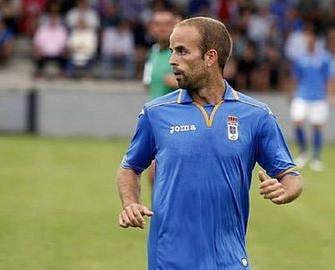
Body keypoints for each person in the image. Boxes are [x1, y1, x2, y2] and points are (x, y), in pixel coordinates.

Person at [117, 17, 303, 270]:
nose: (172, 60)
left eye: (182, 51)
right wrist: (130, 203)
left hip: (229, 261)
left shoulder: (256, 115)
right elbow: (129, 167)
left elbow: (290, 175)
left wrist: (286, 190)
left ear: (210, 57)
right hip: (168, 261)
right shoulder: (155, 113)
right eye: (172, 51)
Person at [289, 26, 335, 171]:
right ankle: (303, 152)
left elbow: (330, 78)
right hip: (302, 94)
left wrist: (332, 94)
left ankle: (316, 157)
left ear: (315, 40)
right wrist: (291, 92)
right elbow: (295, 77)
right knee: (297, 121)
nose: (308, 40)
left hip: (318, 96)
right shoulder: (300, 58)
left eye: (310, 37)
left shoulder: (324, 58)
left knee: (317, 125)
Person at [142, 9, 178, 185]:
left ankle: (163, 210)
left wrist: (179, 83)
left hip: (176, 120)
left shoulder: (180, 54)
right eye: (158, 24)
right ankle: (161, 211)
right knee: (154, 175)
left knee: (158, 173)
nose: (162, 28)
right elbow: (147, 82)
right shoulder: (153, 53)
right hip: (155, 120)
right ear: (152, 28)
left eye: (167, 24)